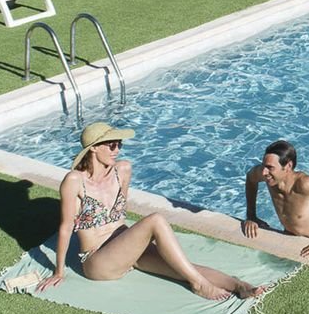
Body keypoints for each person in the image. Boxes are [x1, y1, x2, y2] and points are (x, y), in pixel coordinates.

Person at [39, 121, 265, 300]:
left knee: (182, 267)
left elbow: (120, 214)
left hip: (126, 251)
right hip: (99, 262)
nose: (117, 149)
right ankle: (200, 285)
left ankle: (240, 286)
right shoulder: (75, 181)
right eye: (111, 145)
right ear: (94, 149)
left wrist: (132, 241)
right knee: (156, 220)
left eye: (119, 144)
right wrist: (59, 271)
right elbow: (66, 228)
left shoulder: (123, 170)